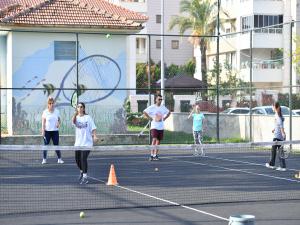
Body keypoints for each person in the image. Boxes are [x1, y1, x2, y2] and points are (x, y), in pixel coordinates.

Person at [72, 102, 97, 184]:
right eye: (78, 107)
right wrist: (75, 115)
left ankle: (85, 177)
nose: (80, 108)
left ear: (84, 108)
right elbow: (73, 121)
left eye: (81, 107)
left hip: (87, 143)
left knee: (83, 158)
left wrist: (94, 136)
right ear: (77, 108)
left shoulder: (88, 118)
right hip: (78, 143)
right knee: (77, 160)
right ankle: (82, 171)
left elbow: (93, 128)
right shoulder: (75, 118)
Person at [143, 94, 170, 161]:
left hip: (161, 127)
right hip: (154, 127)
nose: (160, 101)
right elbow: (144, 112)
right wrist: (150, 118)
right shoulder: (152, 107)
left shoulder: (163, 107)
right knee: (154, 139)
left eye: (161, 99)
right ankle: (151, 155)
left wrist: (164, 118)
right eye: (159, 99)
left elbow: (169, 112)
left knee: (158, 141)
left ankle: (155, 155)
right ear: (156, 100)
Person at [41, 96, 64, 164]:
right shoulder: (45, 112)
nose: (51, 105)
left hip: (55, 131)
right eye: (50, 103)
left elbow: (59, 120)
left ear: (54, 104)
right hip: (47, 131)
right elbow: (43, 122)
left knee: (56, 145)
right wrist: (43, 130)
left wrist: (58, 123)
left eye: (52, 103)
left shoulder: (57, 111)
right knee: (45, 145)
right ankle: (44, 159)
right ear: (48, 104)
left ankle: (59, 159)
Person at [265, 102, 287, 171]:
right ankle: (282, 166)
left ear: (276, 107)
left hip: (277, 137)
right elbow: (278, 124)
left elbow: (281, 125)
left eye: (273, 106)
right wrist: (274, 129)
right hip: (278, 136)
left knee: (273, 151)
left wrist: (283, 133)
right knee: (280, 152)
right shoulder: (277, 115)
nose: (272, 108)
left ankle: (272, 165)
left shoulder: (278, 116)